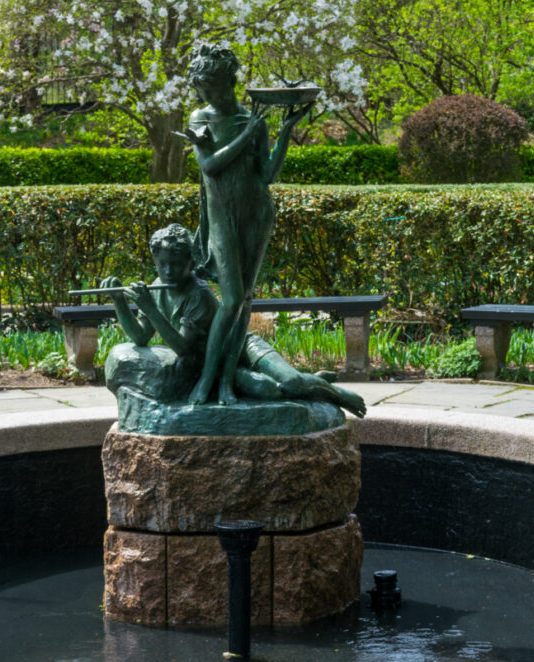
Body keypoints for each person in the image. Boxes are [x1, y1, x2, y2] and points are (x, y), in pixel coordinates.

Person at [102, 224, 365, 416]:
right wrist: (119, 302)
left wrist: (150, 307)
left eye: (176, 263)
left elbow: (181, 347)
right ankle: (311, 381)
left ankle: (337, 395)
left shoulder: (199, 294)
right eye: (163, 264)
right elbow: (140, 337)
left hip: (241, 349)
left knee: (292, 382)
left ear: (191, 262)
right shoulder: (157, 287)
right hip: (213, 366)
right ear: (155, 261)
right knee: (268, 391)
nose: (168, 270)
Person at [179, 42, 311, 406]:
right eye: (203, 87)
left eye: (214, 86)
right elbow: (209, 166)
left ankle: (225, 382)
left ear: (229, 82)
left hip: (256, 213)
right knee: (232, 297)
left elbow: (267, 174)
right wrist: (247, 132)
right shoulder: (200, 119)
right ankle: (205, 381)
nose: (208, 93)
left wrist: (284, 131)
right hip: (222, 218)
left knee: (246, 299)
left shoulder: (253, 119)